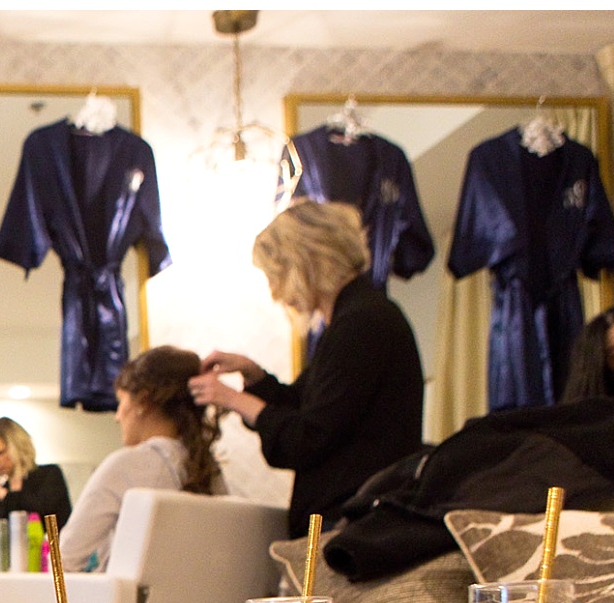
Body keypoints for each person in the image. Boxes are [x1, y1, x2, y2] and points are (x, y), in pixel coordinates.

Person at [189, 199, 424, 538]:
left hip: (351, 522)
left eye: (275, 275)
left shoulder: (361, 324)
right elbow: (306, 407)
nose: (275, 292)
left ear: (303, 263)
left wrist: (234, 400)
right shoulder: (355, 319)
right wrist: (253, 375)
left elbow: (309, 437)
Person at [58, 346, 227, 572]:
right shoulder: (209, 470)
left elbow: (67, 559)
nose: (118, 417)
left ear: (142, 402)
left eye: (121, 402)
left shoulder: (124, 467)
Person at [0, 417, 72, 528]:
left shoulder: (49, 474)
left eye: (0, 452)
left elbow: (51, 520)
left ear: (17, 447)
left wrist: (3, 494)